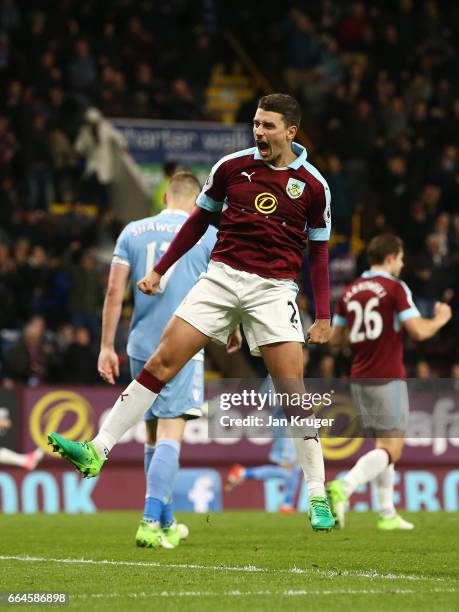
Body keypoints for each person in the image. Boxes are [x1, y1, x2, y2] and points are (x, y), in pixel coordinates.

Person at [49, 93, 335, 532]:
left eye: (268, 126)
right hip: (220, 278)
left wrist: (324, 314)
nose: (258, 132)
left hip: (273, 289)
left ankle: (317, 494)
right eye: (255, 124)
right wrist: (161, 270)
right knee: (163, 360)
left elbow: (318, 252)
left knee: (292, 390)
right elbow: (198, 222)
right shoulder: (229, 168)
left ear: (291, 133)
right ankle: (98, 449)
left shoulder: (314, 186)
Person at [96, 171, 237, 549]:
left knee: (154, 435)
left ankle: (167, 522)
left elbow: (114, 290)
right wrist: (234, 330)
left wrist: (106, 345)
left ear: (164, 199)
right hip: (183, 342)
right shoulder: (207, 234)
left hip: (140, 344)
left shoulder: (133, 231)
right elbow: (224, 287)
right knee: (172, 433)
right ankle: (148, 522)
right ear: (197, 203)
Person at [327, 234, 452, 530]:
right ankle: (345, 486)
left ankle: (386, 512)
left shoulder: (351, 291)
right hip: (387, 377)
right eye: (401, 257)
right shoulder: (395, 288)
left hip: (359, 378)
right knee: (392, 450)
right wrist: (441, 319)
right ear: (391, 257)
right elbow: (418, 331)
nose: (403, 263)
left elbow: (337, 340)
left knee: (382, 447)